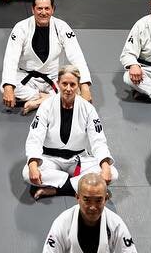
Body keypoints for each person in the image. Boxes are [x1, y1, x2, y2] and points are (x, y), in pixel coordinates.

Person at [24, 67, 113, 199]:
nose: (68, 88)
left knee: (112, 173)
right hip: (50, 158)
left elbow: (98, 140)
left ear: (78, 86)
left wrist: (105, 167)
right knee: (27, 173)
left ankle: (56, 190)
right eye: (64, 84)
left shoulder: (88, 109)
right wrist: (32, 164)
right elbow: (34, 138)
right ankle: (84, 186)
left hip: (78, 159)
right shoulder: (46, 106)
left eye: (73, 84)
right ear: (58, 83)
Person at [1, 0, 91, 111]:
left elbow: (76, 56)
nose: (43, 12)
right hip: (27, 76)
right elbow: (11, 58)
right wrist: (8, 87)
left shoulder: (62, 27)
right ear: (33, 10)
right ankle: (47, 98)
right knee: (6, 88)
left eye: (47, 8)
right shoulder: (21, 27)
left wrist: (85, 87)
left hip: (53, 77)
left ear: (53, 10)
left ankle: (36, 103)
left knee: (76, 89)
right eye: (39, 8)